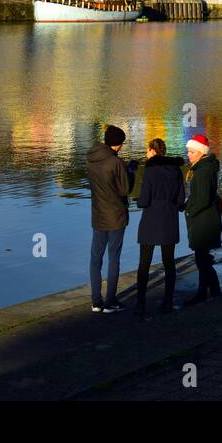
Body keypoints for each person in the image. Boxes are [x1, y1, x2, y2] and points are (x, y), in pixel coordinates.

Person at [134, 138, 186, 318]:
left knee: (144, 263)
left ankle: (141, 303)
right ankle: (168, 302)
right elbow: (181, 201)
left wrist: (138, 201)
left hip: (150, 220)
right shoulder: (176, 170)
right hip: (169, 219)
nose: (146, 154)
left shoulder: (149, 171)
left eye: (147, 150)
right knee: (169, 263)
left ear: (152, 151)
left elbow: (144, 200)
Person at [86, 124, 131, 313]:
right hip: (116, 217)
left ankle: (96, 301)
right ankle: (111, 300)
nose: (121, 147)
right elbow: (124, 190)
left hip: (98, 215)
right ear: (117, 144)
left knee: (96, 258)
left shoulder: (91, 159)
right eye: (121, 144)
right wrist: (132, 172)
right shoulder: (116, 163)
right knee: (114, 258)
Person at [183, 134, 222, 305]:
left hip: (203, 221)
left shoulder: (202, 171)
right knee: (203, 258)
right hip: (205, 218)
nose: (189, 155)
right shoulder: (203, 168)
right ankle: (211, 292)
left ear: (200, 152)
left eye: (192, 152)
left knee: (202, 260)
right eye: (188, 152)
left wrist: (189, 210)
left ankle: (209, 293)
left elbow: (203, 198)